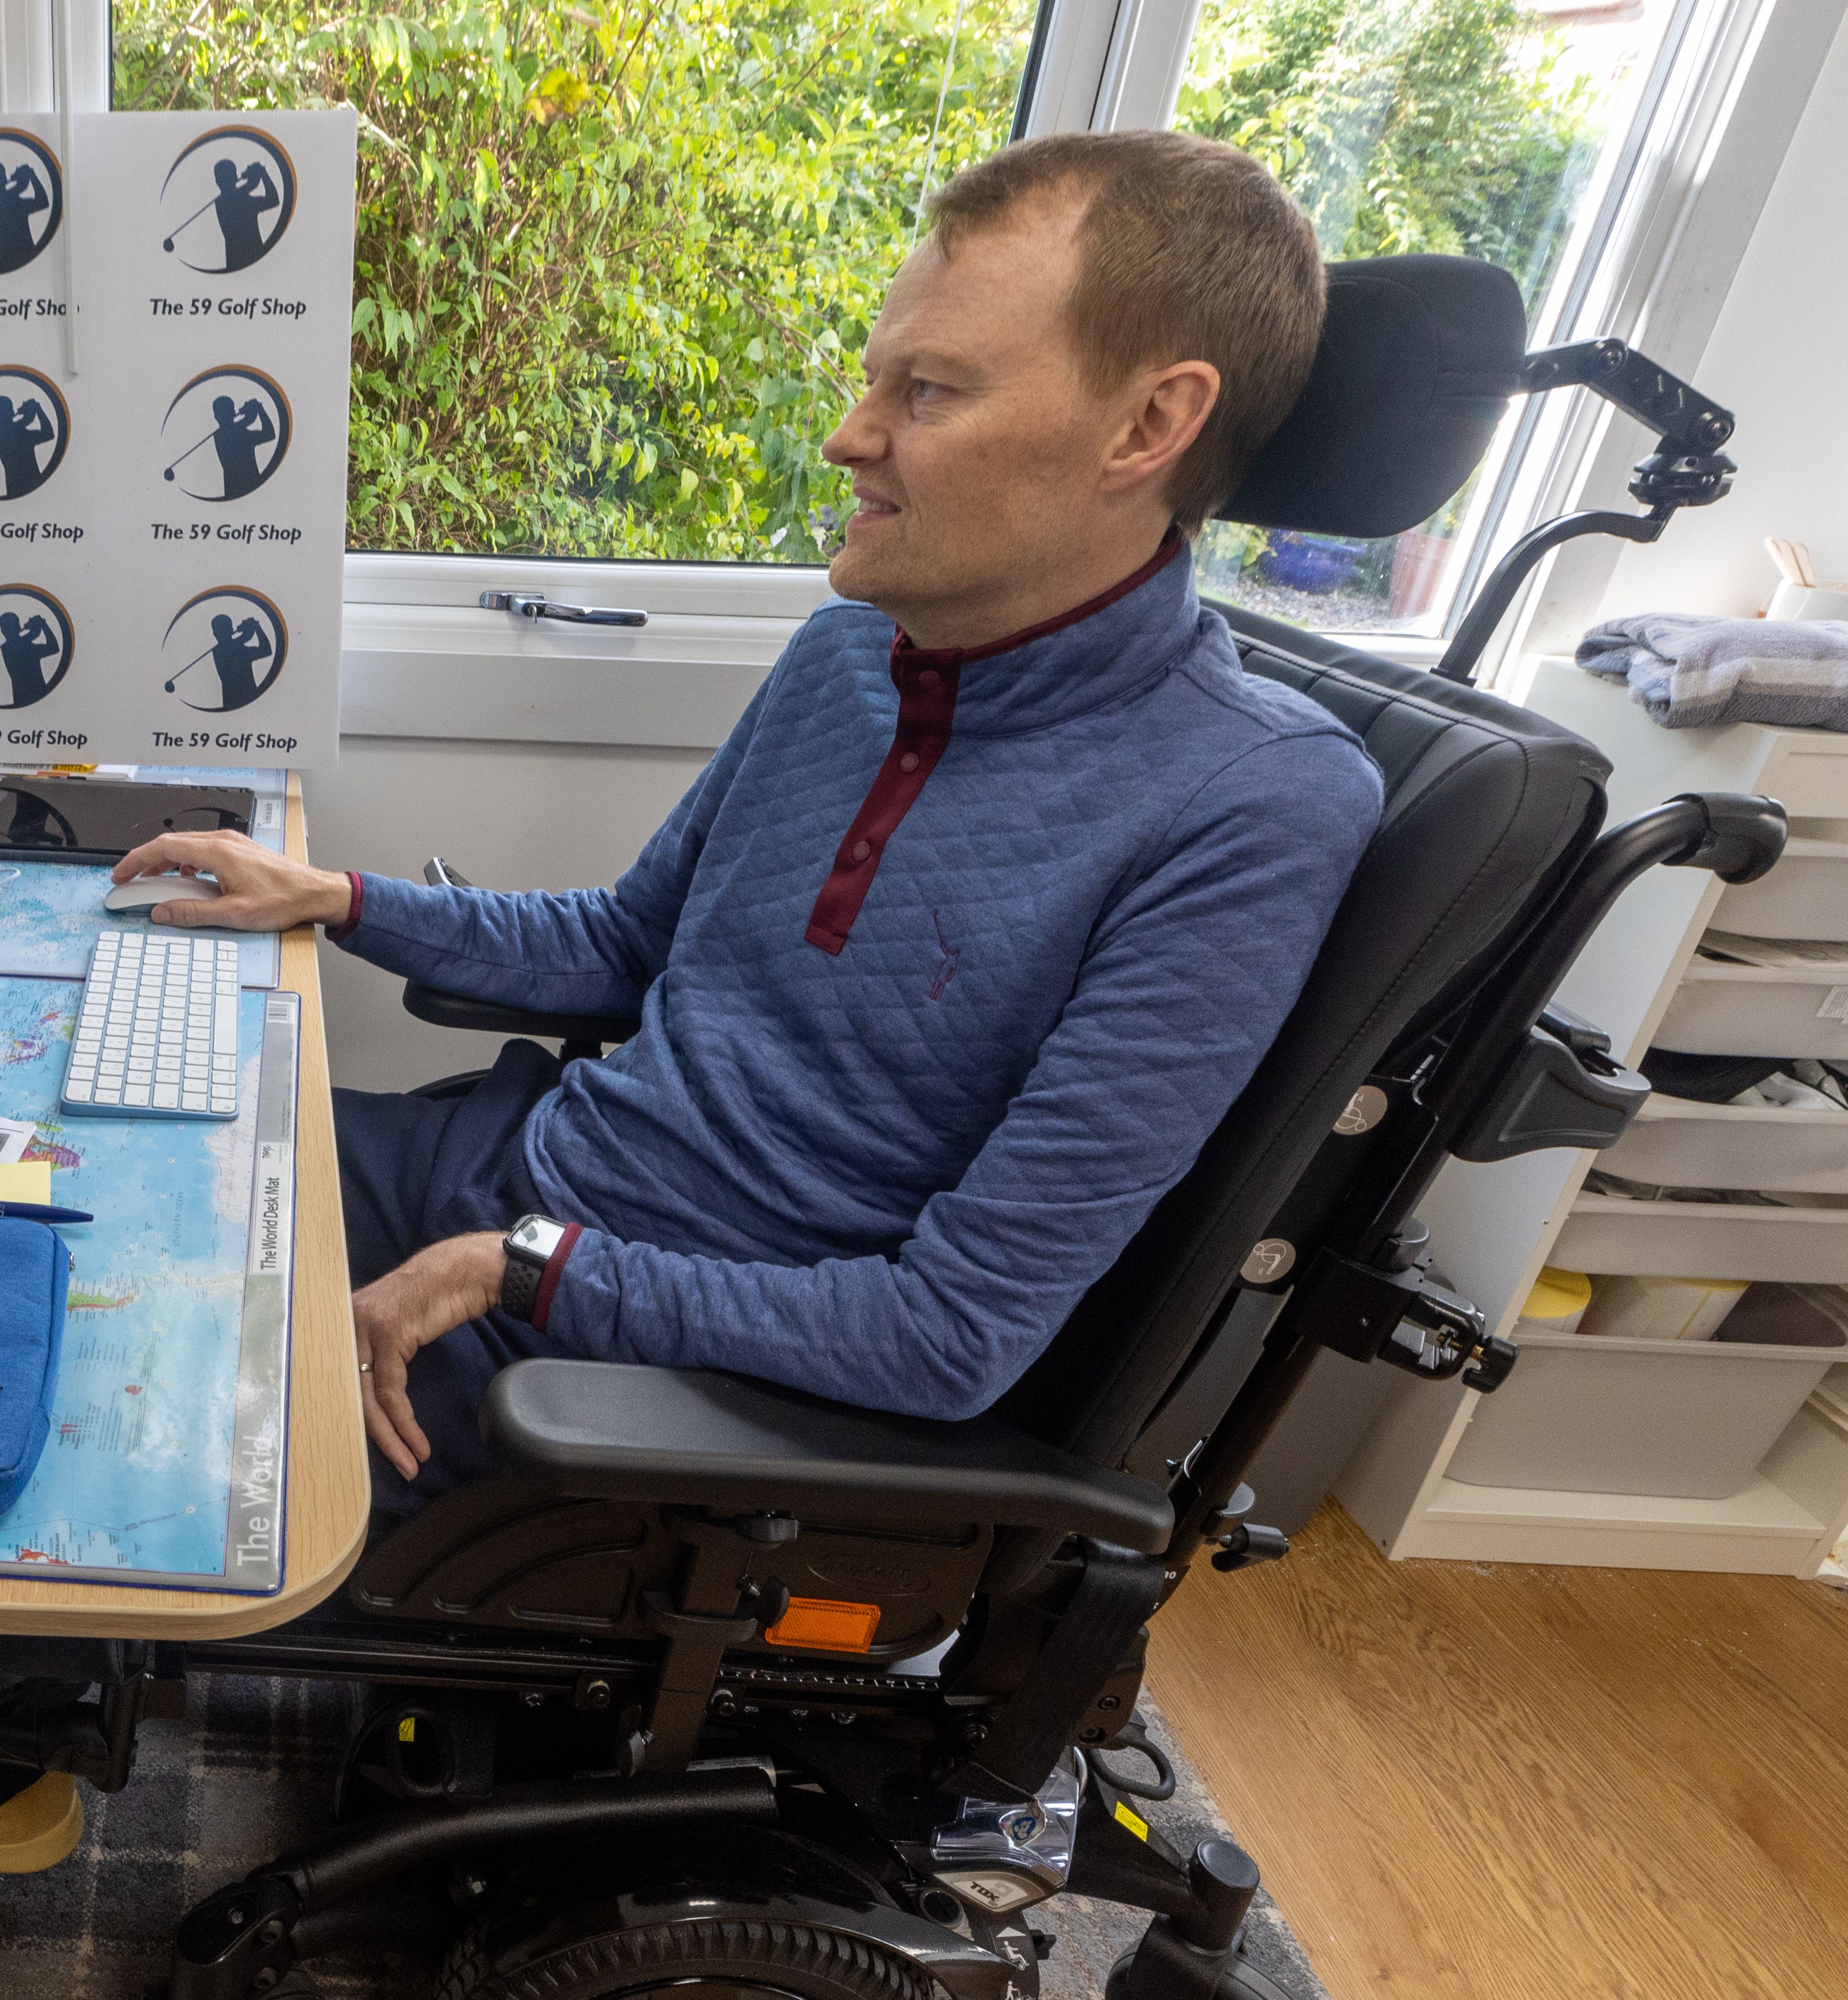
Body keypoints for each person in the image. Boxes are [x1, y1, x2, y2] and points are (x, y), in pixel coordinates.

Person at [110, 130, 1381, 1511]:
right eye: (872, 377)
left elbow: (949, 1337)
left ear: (1148, 427)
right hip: (519, 1167)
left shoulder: (1252, 802)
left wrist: (522, 1268)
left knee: (140, 1454)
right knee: (98, 1173)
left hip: (647, 1371)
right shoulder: (850, 654)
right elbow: (623, 942)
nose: (851, 436)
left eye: (930, 389)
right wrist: (335, 898)